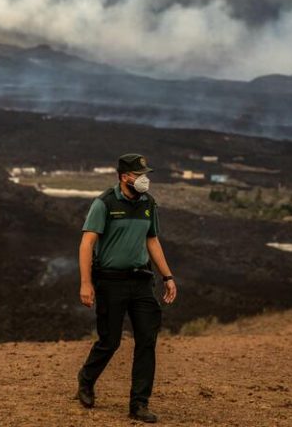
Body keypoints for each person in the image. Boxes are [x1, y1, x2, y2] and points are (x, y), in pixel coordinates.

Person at [76, 153, 177, 423]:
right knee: (110, 341)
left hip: (142, 282)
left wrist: (167, 276)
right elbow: (87, 244)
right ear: (123, 177)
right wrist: (86, 283)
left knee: (147, 340)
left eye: (145, 174)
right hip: (110, 282)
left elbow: (152, 240)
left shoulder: (148, 203)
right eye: (138, 174)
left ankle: (139, 404)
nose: (144, 180)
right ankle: (86, 380)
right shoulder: (105, 203)